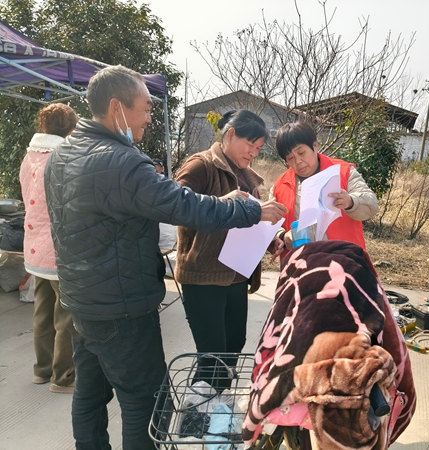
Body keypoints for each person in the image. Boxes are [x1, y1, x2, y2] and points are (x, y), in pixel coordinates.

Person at [44, 66, 286, 450]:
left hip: (81, 301)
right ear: (116, 108)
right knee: (147, 402)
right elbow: (183, 204)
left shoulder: (63, 154)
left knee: (89, 395)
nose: (150, 117)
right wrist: (248, 211)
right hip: (122, 308)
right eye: (144, 108)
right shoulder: (122, 162)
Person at [174, 110, 283, 389]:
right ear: (231, 134)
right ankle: (198, 413)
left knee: (233, 346)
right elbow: (177, 208)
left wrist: (272, 238)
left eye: (259, 149)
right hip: (203, 275)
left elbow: (252, 218)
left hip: (236, 273)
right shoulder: (200, 166)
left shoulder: (246, 176)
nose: (254, 153)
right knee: (212, 355)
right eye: (251, 145)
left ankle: (216, 407)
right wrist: (227, 201)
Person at [19, 103, 78, 394]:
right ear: (70, 129)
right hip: (57, 248)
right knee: (65, 316)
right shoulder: (64, 158)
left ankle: (41, 371)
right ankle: (63, 377)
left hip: (33, 245)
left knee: (42, 310)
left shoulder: (30, 156)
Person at [271, 121, 378, 261]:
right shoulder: (280, 185)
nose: (298, 161)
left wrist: (351, 201)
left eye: (301, 153)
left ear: (315, 146)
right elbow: (270, 224)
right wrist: (282, 236)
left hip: (345, 263)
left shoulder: (343, 172)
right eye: (291, 158)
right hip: (301, 269)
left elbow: (371, 206)